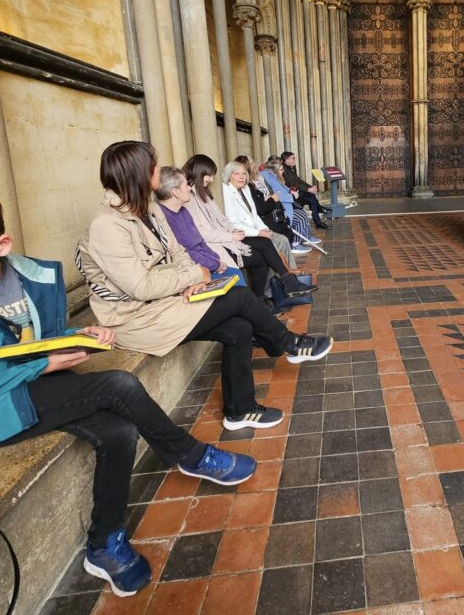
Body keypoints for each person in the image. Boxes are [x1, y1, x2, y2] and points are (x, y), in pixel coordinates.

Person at [0, 184, 258, 598]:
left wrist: (77, 335)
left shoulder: (26, 275)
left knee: (119, 430)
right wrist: (41, 363)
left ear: (1, 244)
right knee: (117, 385)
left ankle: (104, 545)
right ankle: (189, 455)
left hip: (25, 384)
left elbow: (28, 340)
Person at [76, 141, 333, 433]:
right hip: (136, 319)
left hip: (168, 301)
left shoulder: (148, 209)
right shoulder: (107, 225)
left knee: (239, 328)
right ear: (138, 173)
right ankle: (288, 343)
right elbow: (140, 286)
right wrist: (192, 275)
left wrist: (195, 277)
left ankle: (240, 411)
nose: (159, 170)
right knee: (238, 296)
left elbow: (178, 253)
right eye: (153, 166)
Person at [156, 166, 315, 301]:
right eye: (208, 175)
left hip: (225, 239)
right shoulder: (188, 203)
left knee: (268, 242)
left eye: (244, 173)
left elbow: (228, 219)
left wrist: (237, 231)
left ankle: (280, 287)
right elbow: (199, 237)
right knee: (262, 254)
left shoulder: (205, 196)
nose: (211, 179)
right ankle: (269, 295)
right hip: (219, 244)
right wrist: (225, 246)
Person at [182, 153, 302, 272]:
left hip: (236, 233)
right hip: (226, 239)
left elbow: (247, 215)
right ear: (229, 176)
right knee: (270, 245)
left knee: (280, 238)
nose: (242, 177)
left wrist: (263, 229)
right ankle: (285, 280)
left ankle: (289, 276)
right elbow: (226, 223)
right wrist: (251, 233)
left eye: (244, 173)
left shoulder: (243, 189)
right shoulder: (216, 193)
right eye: (237, 173)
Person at [262, 155, 319, 255]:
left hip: (283, 204)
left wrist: (291, 192)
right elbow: (279, 193)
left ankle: (305, 237)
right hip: (279, 208)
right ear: (275, 168)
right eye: (281, 168)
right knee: (300, 217)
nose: (283, 170)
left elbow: (284, 187)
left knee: (302, 213)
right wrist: (292, 197)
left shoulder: (273, 176)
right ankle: (295, 243)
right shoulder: (270, 176)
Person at [281, 150, 331, 229]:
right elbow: (293, 184)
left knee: (312, 195)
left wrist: (310, 187)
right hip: (292, 194)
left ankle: (318, 216)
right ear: (287, 160)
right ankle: (318, 216)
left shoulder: (292, 167)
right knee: (311, 200)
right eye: (293, 158)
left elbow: (299, 180)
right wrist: (308, 189)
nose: (295, 159)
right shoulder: (284, 170)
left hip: (297, 190)